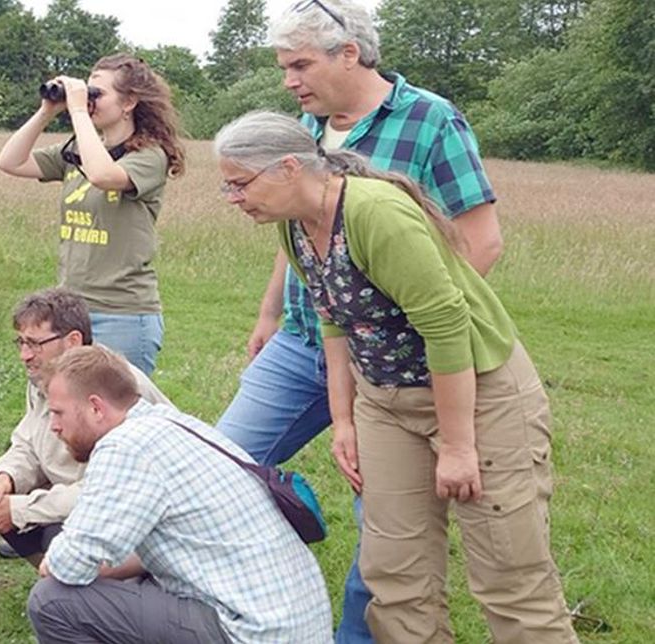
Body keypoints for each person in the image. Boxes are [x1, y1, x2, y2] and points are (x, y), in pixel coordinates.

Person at [215, 110, 579, 643]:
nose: (233, 198)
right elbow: (332, 319)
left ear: (289, 167)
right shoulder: (295, 227)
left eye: (239, 184)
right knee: (395, 575)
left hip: (478, 396)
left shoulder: (373, 212)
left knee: (509, 576)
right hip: (384, 399)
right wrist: (343, 419)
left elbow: (447, 323)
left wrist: (457, 446)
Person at [216, 1, 503, 640]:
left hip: (393, 364)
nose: (289, 80)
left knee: (383, 515)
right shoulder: (303, 129)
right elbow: (299, 232)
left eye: (299, 64)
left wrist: (407, 343)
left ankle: (354, 634)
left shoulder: (431, 121)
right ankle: (225, 609)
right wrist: (268, 313)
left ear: (349, 53)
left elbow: (479, 244)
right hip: (304, 339)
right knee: (223, 462)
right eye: (284, 67)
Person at [27, 345, 333, 643]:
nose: (53, 426)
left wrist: (52, 561)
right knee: (129, 580)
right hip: (293, 624)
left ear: (96, 407)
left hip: (248, 631)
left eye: (57, 413)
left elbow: (71, 564)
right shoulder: (172, 423)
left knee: (52, 601)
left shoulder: (124, 445)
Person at [0, 54, 185, 376]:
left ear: (129, 103)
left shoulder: (150, 156)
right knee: (69, 415)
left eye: (98, 94)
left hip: (122, 313)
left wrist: (79, 110)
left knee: (114, 419)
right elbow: (10, 162)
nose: (89, 101)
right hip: (71, 311)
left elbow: (103, 175)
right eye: (88, 92)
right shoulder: (77, 151)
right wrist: (46, 112)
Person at [0, 288, 170, 567]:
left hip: (127, 510)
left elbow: (106, 489)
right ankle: (56, 577)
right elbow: (27, 441)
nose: (24, 356)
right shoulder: (47, 379)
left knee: (35, 523)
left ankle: (85, 589)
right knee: (3, 505)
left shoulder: (111, 391)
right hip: (76, 492)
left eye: (35, 344)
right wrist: (7, 478)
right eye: (21, 343)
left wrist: (21, 509)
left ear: (73, 341)